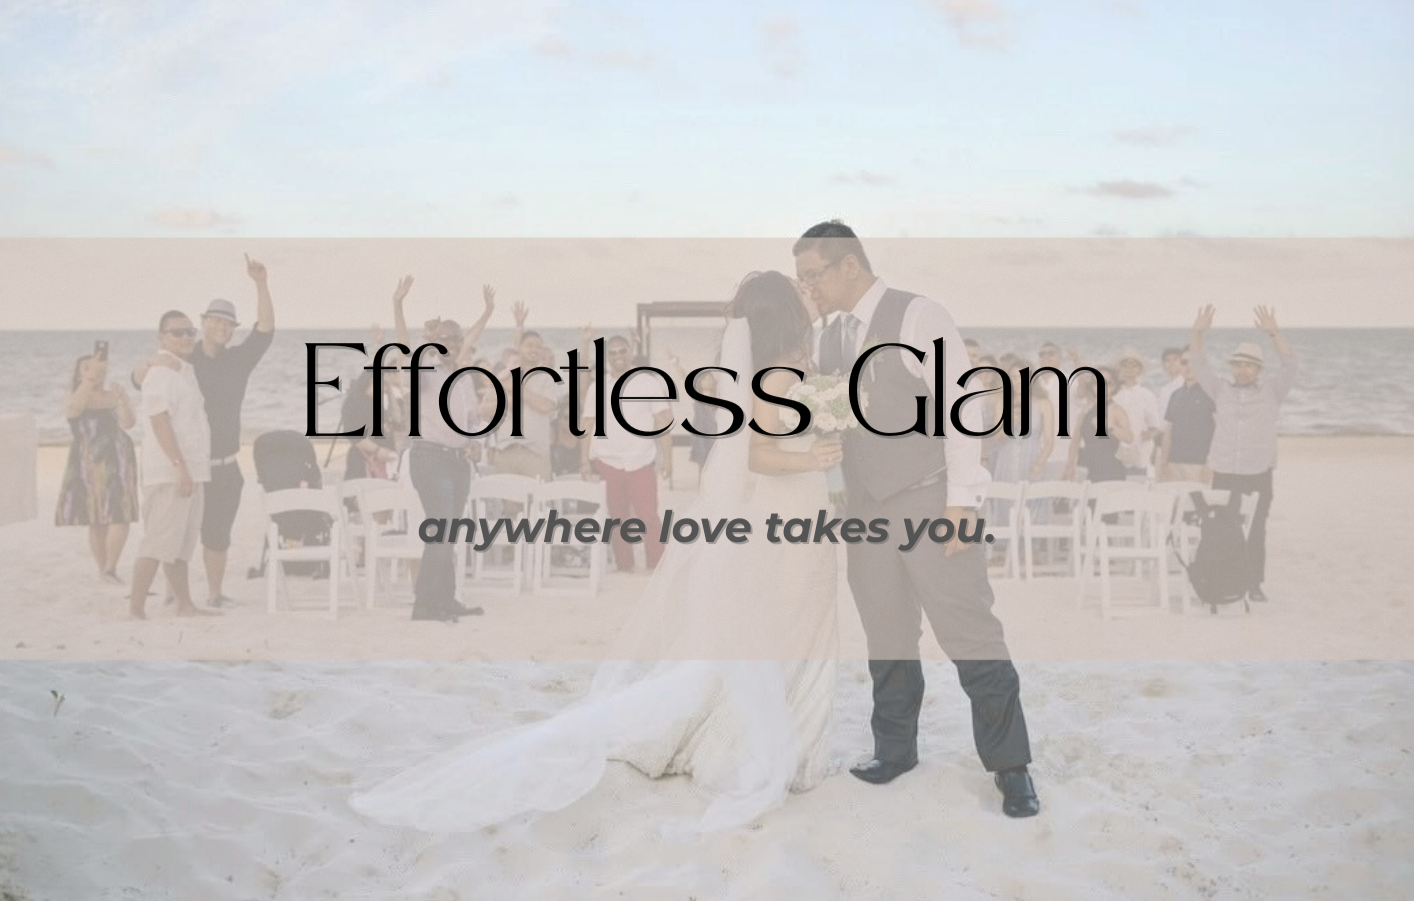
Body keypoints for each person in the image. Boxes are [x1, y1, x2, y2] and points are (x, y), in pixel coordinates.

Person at [351, 271, 844, 833]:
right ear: (784, 317)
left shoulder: (791, 371)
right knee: (787, 627)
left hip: (802, 514)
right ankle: (780, 743)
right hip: (789, 509)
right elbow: (753, 455)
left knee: (796, 626)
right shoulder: (773, 376)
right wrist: (815, 457)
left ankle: (794, 739)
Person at [796, 220, 1039, 818]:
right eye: (801, 279)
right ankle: (895, 750)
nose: (808, 288)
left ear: (848, 264)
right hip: (865, 513)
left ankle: (1012, 766)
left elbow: (964, 408)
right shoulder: (825, 337)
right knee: (887, 635)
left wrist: (962, 502)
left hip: (932, 502)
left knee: (970, 633)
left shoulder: (918, 317)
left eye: (813, 275)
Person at [133, 254, 276, 607]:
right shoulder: (182, 357)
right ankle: (172, 594)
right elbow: (142, 384)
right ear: (204, 323)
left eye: (229, 324)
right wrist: (148, 362)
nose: (222, 328)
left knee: (217, 537)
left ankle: (213, 594)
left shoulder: (238, 360)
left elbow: (266, 332)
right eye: (216, 321)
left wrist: (260, 283)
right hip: (190, 465)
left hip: (226, 467)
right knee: (176, 535)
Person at [391, 276, 495, 622]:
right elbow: (403, 344)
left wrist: (474, 444)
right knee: (440, 532)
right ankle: (424, 605)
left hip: (456, 462)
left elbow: (468, 422)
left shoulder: (463, 377)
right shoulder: (424, 370)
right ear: (435, 342)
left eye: (457, 338)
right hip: (429, 458)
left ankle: (446, 600)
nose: (452, 343)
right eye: (445, 338)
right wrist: (398, 305)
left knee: (449, 533)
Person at [1188, 305, 1298, 604]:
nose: (1242, 370)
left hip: (1259, 472)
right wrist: (1198, 332)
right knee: (1222, 526)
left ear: (1258, 369)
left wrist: (1274, 334)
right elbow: (1198, 363)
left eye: (1249, 365)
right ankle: (1222, 579)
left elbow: (1290, 364)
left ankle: (1253, 583)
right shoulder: (1220, 390)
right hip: (1225, 471)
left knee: (1256, 529)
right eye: (1237, 364)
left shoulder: (1272, 392)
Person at [128, 312, 218, 620]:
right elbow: (158, 419)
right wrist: (179, 465)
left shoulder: (183, 369)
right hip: (170, 472)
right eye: (176, 332)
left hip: (192, 470)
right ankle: (136, 609)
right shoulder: (161, 372)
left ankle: (185, 605)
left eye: (189, 332)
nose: (185, 337)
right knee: (157, 542)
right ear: (161, 337)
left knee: (179, 545)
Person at [581, 335, 671, 573]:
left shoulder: (647, 383)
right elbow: (588, 424)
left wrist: (669, 460)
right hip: (608, 462)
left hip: (641, 460)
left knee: (648, 516)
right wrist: (584, 461)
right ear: (606, 357)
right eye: (612, 353)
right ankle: (625, 566)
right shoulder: (596, 387)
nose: (618, 356)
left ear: (629, 352)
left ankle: (657, 564)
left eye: (622, 351)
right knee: (617, 519)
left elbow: (663, 420)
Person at [55, 352, 139, 584]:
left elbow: (129, 423)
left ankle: (111, 568)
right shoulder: (76, 396)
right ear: (79, 374)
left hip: (119, 458)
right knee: (96, 518)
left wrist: (123, 398)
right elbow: (73, 409)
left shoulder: (111, 395)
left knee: (121, 513)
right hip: (88, 462)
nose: (96, 374)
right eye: (88, 369)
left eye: (100, 369)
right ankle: (103, 570)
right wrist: (89, 380)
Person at [1064, 366, 1133, 483]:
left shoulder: (1116, 410)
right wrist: (1070, 466)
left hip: (1109, 468)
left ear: (1114, 386)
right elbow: (1075, 441)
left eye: (1107, 383)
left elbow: (1129, 437)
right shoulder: (1086, 409)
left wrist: (1108, 425)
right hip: (1086, 466)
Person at [1157, 352, 1215, 483]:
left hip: (1200, 466)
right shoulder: (1175, 395)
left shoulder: (1211, 394)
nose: (1189, 367)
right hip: (1173, 464)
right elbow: (1168, 431)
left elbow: (1222, 431)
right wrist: (1164, 462)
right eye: (1184, 363)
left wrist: (1211, 463)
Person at [1112, 348, 1161, 477]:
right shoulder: (1113, 394)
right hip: (1115, 448)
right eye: (1125, 365)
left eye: (1134, 365)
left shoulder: (1147, 395)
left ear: (1139, 369)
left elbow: (1155, 425)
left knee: (1137, 488)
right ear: (1120, 368)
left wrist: (1151, 433)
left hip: (1139, 450)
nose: (1130, 369)